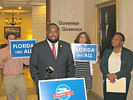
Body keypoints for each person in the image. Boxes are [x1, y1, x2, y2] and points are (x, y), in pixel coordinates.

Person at [30, 23, 75, 100]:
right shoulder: (37, 47)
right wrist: (38, 82)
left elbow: (70, 65)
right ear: (47, 32)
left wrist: (69, 81)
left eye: (56, 31)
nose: (53, 34)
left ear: (59, 33)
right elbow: (33, 66)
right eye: (51, 31)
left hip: (62, 87)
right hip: (45, 87)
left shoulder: (66, 46)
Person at [100, 32, 133, 100]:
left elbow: (129, 68)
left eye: (116, 39)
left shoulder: (128, 53)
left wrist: (115, 75)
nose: (113, 40)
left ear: (122, 42)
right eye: (113, 39)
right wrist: (108, 75)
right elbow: (102, 65)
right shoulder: (107, 51)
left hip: (122, 81)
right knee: (107, 97)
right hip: (108, 79)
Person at [0, 33, 29, 100]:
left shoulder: (20, 50)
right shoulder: (1, 51)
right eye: (10, 38)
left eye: (14, 38)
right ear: (7, 40)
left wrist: (29, 54)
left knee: (23, 96)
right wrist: (5, 60)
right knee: (10, 97)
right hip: (8, 78)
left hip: (19, 78)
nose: (12, 40)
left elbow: (27, 62)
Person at [74, 32, 99, 100]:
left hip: (87, 74)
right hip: (77, 74)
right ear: (78, 39)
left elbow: (94, 62)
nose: (82, 39)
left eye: (84, 37)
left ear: (86, 39)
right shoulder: (74, 48)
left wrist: (96, 56)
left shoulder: (90, 49)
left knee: (85, 94)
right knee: (77, 93)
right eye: (81, 37)